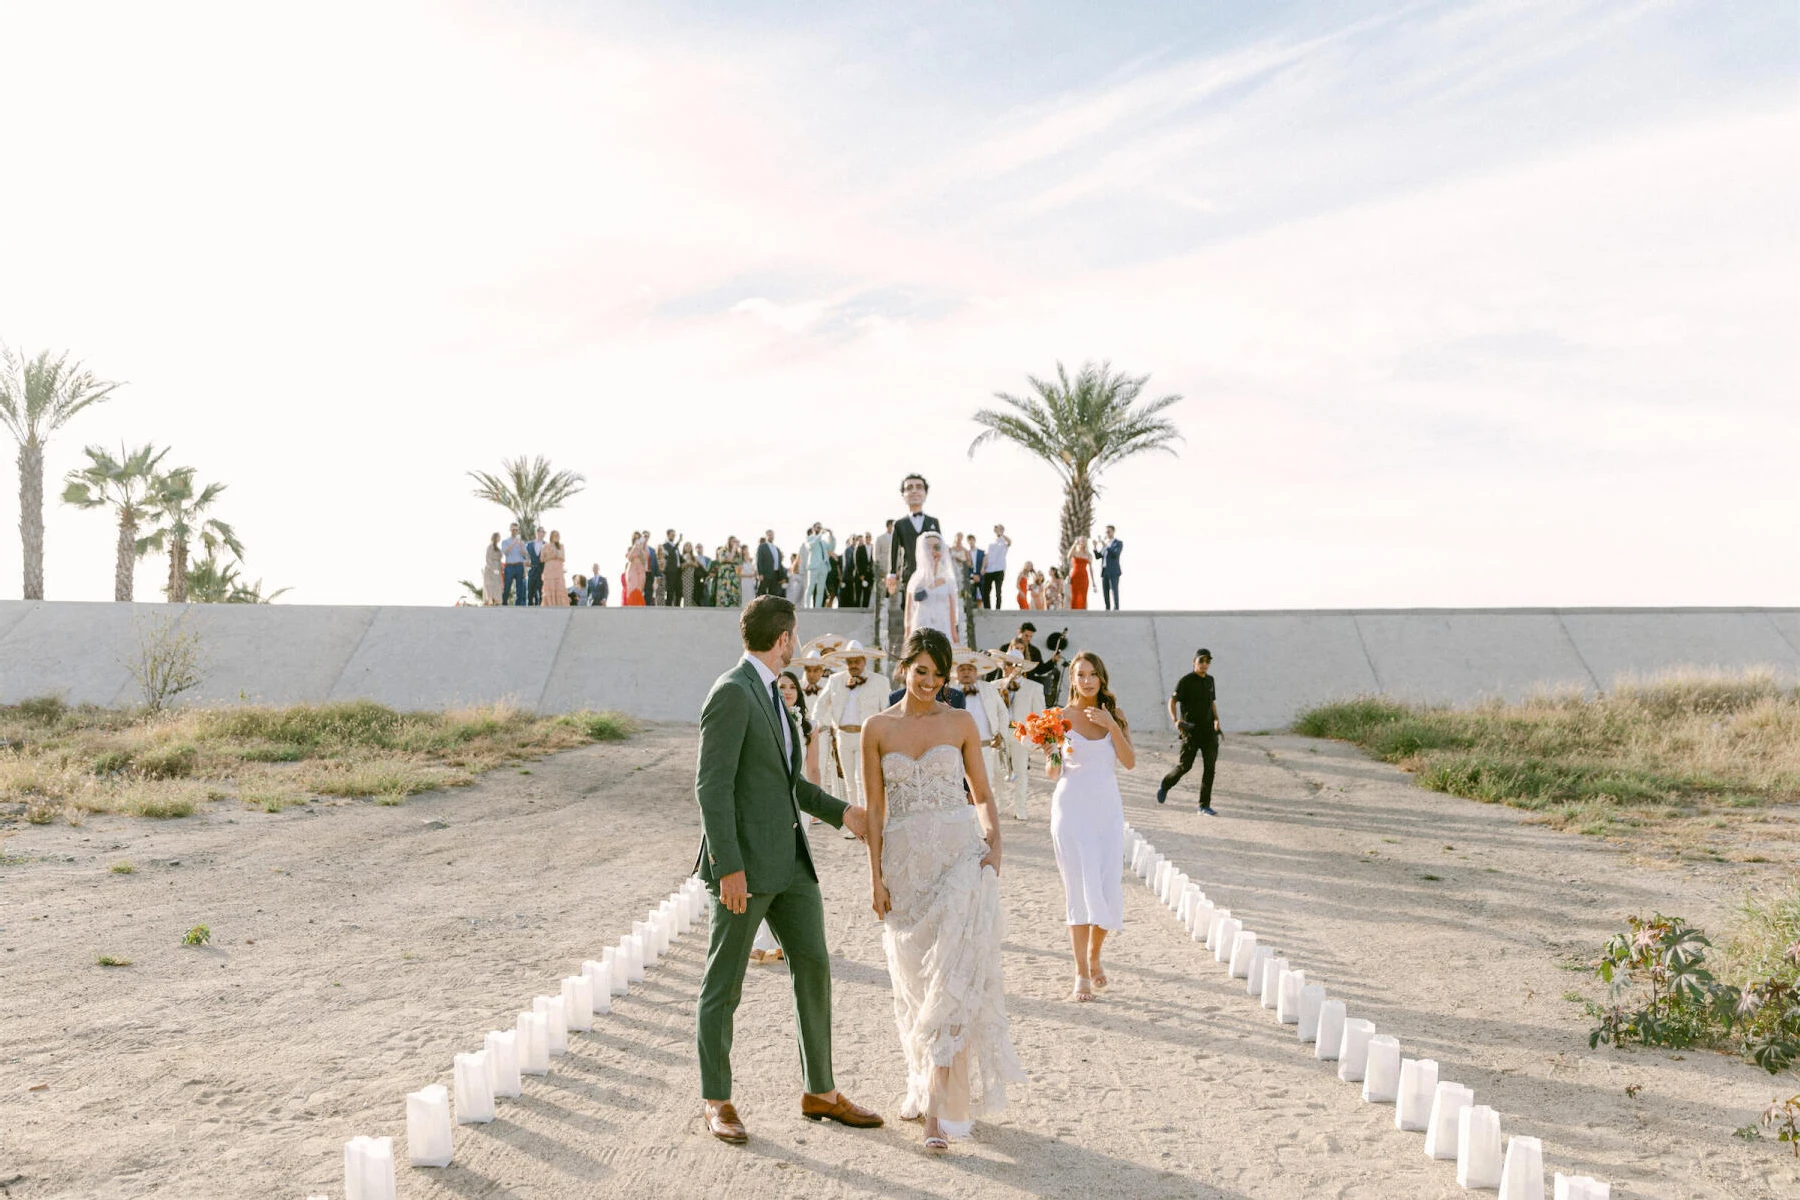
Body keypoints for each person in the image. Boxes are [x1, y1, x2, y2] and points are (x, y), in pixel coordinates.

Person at [692, 596, 879, 1144]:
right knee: (723, 985)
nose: (796, 645)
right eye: (794, 636)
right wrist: (728, 867)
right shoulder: (731, 693)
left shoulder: (775, 693)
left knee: (815, 968)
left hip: (793, 865)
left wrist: (844, 812)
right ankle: (717, 1099)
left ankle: (820, 1091)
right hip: (743, 871)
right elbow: (711, 787)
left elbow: (789, 783)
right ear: (784, 638)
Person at [860, 628, 1024, 1149]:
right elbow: (876, 810)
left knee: (951, 978)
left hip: (959, 858)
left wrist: (994, 842)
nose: (930, 681)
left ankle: (938, 1111)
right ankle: (921, 1081)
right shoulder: (875, 728)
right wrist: (875, 878)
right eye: (921, 670)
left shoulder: (961, 722)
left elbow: (981, 791)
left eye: (939, 672)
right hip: (905, 870)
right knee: (914, 984)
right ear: (904, 669)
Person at [1044, 650, 1133, 1002]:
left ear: (1101, 677)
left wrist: (1111, 725)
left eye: (1092, 674)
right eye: (1080, 674)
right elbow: (1053, 773)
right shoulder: (1059, 717)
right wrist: (1051, 745)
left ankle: (1095, 953)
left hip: (1107, 813)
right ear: (1072, 679)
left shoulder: (1116, 715)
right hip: (1071, 811)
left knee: (1109, 891)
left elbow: (1129, 762)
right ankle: (1080, 970)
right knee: (1079, 893)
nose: (1087, 680)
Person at [816, 640, 887, 816]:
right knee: (849, 781)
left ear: (864, 661)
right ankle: (855, 820)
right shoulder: (835, 680)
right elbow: (820, 704)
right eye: (850, 661)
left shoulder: (880, 681)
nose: (853, 665)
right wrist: (814, 724)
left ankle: (869, 817)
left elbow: (886, 711)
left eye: (857, 661)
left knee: (862, 778)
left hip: (866, 736)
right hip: (843, 736)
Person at [1159, 648, 1222, 815]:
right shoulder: (1185, 681)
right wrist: (1175, 720)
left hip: (1208, 732)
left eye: (1208, 661)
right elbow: (1172, 701)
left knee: (1210, 768)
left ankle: (1203, 805)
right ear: (1194, 662)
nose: (1205, 664)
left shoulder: (1210, 680)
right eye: (1201, 661)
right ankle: (1165, 784)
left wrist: (1217, 720)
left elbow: (1212, 702)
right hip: (1191, 732)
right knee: (1185, 766)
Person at [987, 649, 1045, 820]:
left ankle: (1021, 808)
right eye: (1005, 664)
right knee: (997, 770)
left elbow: (1039, 714)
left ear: (1019, 667)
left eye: (1011, 664)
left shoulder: (1034, 687)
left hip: (1021, 733)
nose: (1007, 668)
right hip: (999, 733)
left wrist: (1036, 737)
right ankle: (1001, 801)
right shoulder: (994, 685)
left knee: (1020, 771)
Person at [952, 651, 1011, 817]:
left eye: (969, 669)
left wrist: (1000, 733)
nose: (965, 672)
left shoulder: (989, 689)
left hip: (985, 747)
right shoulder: (949, 692)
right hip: (958, 750)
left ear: (976, 672)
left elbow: (1002, 712)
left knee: (985, 787)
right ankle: (967, 827)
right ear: (956, 673)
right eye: (962, 669)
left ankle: (984, 829)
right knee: (960, 789)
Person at [905, 531, 961, 647]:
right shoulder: (916, 579)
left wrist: (954, 632)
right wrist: (907, 633)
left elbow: (952, 608)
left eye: (936, 547)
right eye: (927, 547)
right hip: (921, 622)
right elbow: (909, 608)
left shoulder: (947, 580)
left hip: (942, 624)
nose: (932, 551)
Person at [804, 524, 836, 609]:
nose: (819, 529)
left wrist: (831, 536)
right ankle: (806, 606)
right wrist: (819, 535)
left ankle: (818, 607)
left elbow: (831, 548)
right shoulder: (809, 538)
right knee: (810, 587)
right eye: (817, 527)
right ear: (813, 528)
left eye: (820, 527)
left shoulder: (823, 542)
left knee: (820, 589)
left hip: (823, 567)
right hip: (814, 567)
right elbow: (811, 546)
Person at [500, 523, 528, 606]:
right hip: (509, 566)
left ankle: (518, 605)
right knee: (507, 586)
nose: (515, 531)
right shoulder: (505, 541)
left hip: (519, 566)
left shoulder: (522, 543)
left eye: (516, 530)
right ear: (510, 530)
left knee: (519, 587)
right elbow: (505, 552)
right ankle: (504, 603)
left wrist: (519, 545)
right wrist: (513, 543)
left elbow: (525, 554)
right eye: (513, 529)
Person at [982, 526, 1010, 611]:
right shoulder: (991, 542)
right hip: (989, 570)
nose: (998, 531)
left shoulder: (1004, 542)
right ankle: (987, 609)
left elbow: (1010, 542)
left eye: (1000, 529)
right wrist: (983, 567)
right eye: (997, 529)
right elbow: (986, 556)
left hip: (999, 570)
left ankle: (998, 609)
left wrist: (1002, 534)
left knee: (998, 591)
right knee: (986, 591)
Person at [1098, 526, 1123, 611]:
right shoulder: (1105, 543)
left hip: (1113, 571)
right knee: (1105, 591)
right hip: (1104, 571)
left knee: (1114, 590)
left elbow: (1115, 554)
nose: (1107, 534)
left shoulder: (1118, 543)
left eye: (1108, 532)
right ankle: (1107, 608)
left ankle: (1116, 608)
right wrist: (1095, 547)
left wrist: (1107, 547)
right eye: (1106, 532)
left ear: (1113, 532)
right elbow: (1098, 556)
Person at [542, 531, 568, 607]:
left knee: (559, 586)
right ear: (551, 537)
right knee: (550, 586)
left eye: (558, 535)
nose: (556, 537)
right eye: (555, 535)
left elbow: (563, 558)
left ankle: (560, 604)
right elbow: (542, 559)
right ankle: (550, 604)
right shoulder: (545, 546)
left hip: (558, 570)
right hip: (549, 570)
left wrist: (557, 555)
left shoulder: (561, 546)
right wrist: (552, 556)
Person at [756, 531, 785, 599]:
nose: (770, 536)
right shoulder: (762, 546)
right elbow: (759, 560)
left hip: (775, 574)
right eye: (769, 535)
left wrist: (782, 576)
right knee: (761, 592)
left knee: (773, 594)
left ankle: (771, 608)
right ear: (766, 536)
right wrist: (760, 573)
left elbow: (779, 562)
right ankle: (758, 607)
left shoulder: (776, 548)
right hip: (765, 574)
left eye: (772, 535)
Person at [1067, 535, 1093, 611]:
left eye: (1084, 541)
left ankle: (1083, 613)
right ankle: (1074, 613)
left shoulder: (1088, 555)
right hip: (1075, 576)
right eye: (1081, 541)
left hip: (1084, 577)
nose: (1083, 542)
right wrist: (1075, 544)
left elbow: (1091, 568)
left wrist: (1093, 581)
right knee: (1074, 595)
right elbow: (1068, 556)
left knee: (1083, 596)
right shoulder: (1075, 552)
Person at [624, 534, 648, 606]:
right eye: (635, 538)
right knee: (632, 587)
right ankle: (632, 605)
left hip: (640, 570)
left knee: (639, 588)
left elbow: (645, 559)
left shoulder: (643, 549)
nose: (637, 540)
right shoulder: (631, 548)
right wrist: (635, 547)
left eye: (638, 538)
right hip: (632, 569)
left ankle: (638, 605)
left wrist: (640, 548)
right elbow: (629, 558)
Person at [526, 526, 547, 606]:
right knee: (530, 592)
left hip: (542, 571)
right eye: (539, 531)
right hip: (532, 570)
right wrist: (526, 562)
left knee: (542, 592)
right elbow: (525, 556)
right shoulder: (529, 544)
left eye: (542, 532)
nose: (541, 533)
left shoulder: (546, 545)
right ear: (536, 532)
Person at [481, 533, 503, 605]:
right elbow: (488, 559)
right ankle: (489, 599)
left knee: (497, 584)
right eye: (498, 537)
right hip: (490, 569)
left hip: (497, 568)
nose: (499, 538)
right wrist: (492, 569)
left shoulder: (498, 549)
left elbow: (499, 560)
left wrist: (501, 568)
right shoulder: (490, 547)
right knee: (489, 584)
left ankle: (496, 599)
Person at [680, 542, 701, 607]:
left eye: (690, 546)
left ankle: (688, 611)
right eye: (686, 546)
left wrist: (690, 562)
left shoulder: (694, 557)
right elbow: (680, 567)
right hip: (683, 578)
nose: (688, 547)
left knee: (689, 597)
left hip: (691, 578)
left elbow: (697, 565)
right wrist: (687, 563)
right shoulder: (681, 556)